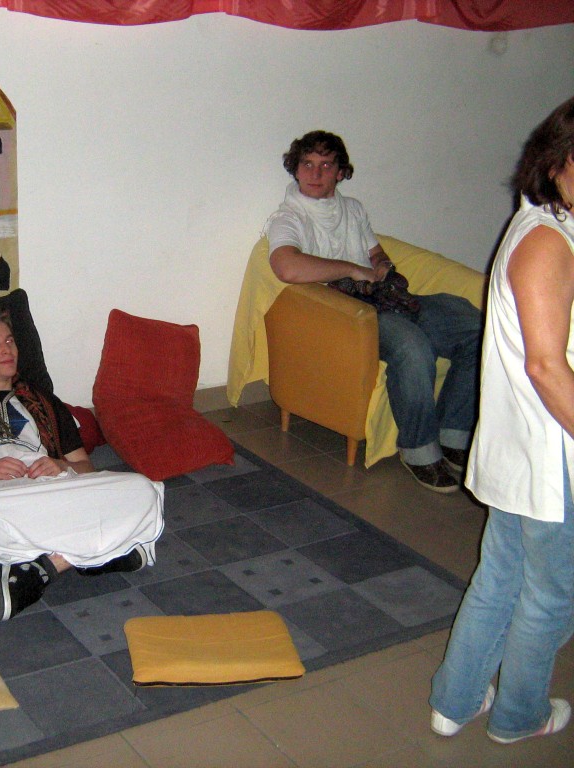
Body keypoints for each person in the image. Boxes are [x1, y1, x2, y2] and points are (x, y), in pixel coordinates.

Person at [428, 96, 574, 744]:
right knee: (550, 597)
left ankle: (455, 702)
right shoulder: (547, 242)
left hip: (522, 448)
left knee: (502, 578)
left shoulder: (539, 224)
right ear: (557, 160)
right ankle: (518, 715)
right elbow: (546, 366)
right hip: (553, 455)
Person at [0, 302, 165, 620]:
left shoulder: (45, 402)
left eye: (9, 341)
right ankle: (99, 551)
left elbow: (85, 467)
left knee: (142, 489)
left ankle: (47, 565)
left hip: (49, 487)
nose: (6, 349)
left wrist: (62, 466)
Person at [265, 131, 482, 492]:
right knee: (412, 346)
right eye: (307, 164)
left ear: (340, 172)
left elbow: (375, 252)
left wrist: (381, 265)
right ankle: (419, 450)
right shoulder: (287, 218)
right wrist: (352, 270)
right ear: (295, 169)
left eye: (326, 165)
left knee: (475, 328)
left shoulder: (352, 209)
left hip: (385, 299)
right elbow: (286, 267)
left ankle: (453, 435)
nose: (315, 173)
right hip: (345, 316)